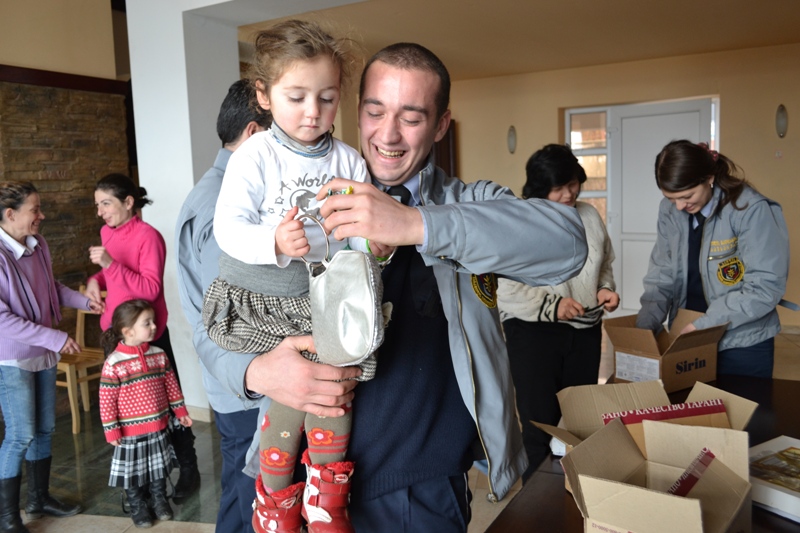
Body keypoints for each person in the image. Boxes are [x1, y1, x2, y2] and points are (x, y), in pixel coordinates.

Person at [236, 42, 588, 532]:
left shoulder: (468, 203)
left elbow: (567, 244)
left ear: (441, 124)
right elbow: (226, 300)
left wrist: (415, 224)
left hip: (422, 490)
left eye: (412, 117)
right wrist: (252, 372)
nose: (388, 134)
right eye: (375, 111)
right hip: (300, 478)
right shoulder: (304, 190)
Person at [202, 21, 391, 533]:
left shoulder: (348, 160)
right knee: (288, 398)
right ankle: (274, 503)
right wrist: (274, 242)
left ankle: (326, 500)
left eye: (326, 98)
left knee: (334, 392)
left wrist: (373, 245)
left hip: (326, 300)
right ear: (264, 96)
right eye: (297, 97)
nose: (313, 112)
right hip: (268, 301)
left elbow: (356, 236)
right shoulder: (255, 155)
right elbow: (228, 229)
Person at [174, 78, 271, 533]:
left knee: (239, 491)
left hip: (242, 382)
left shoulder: (226, 190)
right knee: (251, 499)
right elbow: (232, 317)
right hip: (245, 382)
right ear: (254, 133)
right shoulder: (222, 203)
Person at [496, 144, 619, 482]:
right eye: (558, 188)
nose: (568, 194)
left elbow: (604, 263)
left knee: (579, 423)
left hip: (585, 331)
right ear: (539, 188)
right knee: (539, 425)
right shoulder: (520, 222)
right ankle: (535, 502)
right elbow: (504, 289)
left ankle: (573, 494)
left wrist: (603, 289)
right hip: (533, 334)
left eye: (573, 184)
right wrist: (553, 305)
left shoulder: (589, 215)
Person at [85, 174, 200, 501]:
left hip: (150, 337)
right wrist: (95, 280)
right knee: (126, 412)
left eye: (106, 203)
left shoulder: (149, 236)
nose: (100, 212)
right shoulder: (107, 233)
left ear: (128, 202)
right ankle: (139, 483)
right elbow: (111, 274)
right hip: (115, 335)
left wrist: (109, 264)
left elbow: (149, 289)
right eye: (97, 205)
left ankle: (189, 469)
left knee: (168, 404)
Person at [636, 139, 789, 378]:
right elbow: (662, 274)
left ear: (709, 178)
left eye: (687, 196)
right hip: (688, 334)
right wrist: (644, 327)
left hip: (742, 340)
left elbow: (765, 286)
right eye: (671, 198)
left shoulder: (749, 209)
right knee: (691, 403)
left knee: (741, 403)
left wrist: (703, 326)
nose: (679, 206)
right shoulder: (669, 210)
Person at [0, 181, 100, 533]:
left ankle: (38, 499)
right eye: (35, 210)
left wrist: (83, 301)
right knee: (20, 435)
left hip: (44, 352)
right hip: (12, 359)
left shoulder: (37, 244)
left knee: (44, 429)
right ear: (10, 214)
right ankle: (7, 517)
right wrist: (56, 338)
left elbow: (51, 288)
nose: (41, 216)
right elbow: (2, 319)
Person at [99, 299, 193, 529]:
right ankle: (138, 504)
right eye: (147, 323)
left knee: (158, 466)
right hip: (129, 432)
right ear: (127, 331)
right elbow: (107, 400)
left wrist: (180, 411)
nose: (154, 326)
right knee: (133, 470)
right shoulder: (114, 363)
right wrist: (112, 430)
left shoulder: (159, 355)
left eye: (153, 321)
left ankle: (159, 499)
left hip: (158, 425)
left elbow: (171, 386)